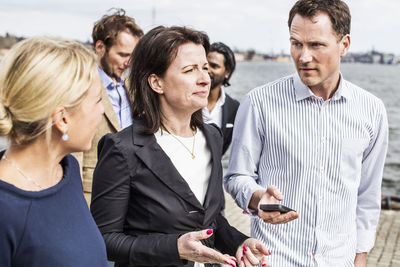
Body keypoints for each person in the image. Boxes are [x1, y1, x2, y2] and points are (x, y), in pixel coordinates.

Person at [224, 0, 388, 266]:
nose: (303, 56)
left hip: (340, 260)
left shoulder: (372, 111)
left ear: (344, 45)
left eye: (316, 45)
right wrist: (257, 199)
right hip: (275, 259)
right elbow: (237, 176)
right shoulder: (259, 103)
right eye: (296, 43)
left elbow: (367, 195)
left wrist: (360, 256)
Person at [91, 26, 271, 267]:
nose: (204, 79)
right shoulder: (122, 148)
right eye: (190, 70)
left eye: (205, 68)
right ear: (156, 82)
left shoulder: (212, 137)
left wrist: (239, 243)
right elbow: (103, 240)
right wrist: (174, 248)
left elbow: (213, 220)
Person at [0, 37, 107, 266]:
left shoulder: (67, 170)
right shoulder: (5, 208)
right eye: (98, 100)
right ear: (62, 118)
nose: (102, 112)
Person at [75, 8, 143, 203]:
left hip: (132, 196)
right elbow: (73, 153)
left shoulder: (133, 88)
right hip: (91, 194)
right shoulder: (81, 86)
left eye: (132, 55)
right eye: (122, 54)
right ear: (100, 47)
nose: (128, 62)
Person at [203, 42, 239, 155]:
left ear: (227, 72)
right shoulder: (186, 100)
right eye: (205, 64)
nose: (207, 70)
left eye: (214, 66)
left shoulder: (234, 108)